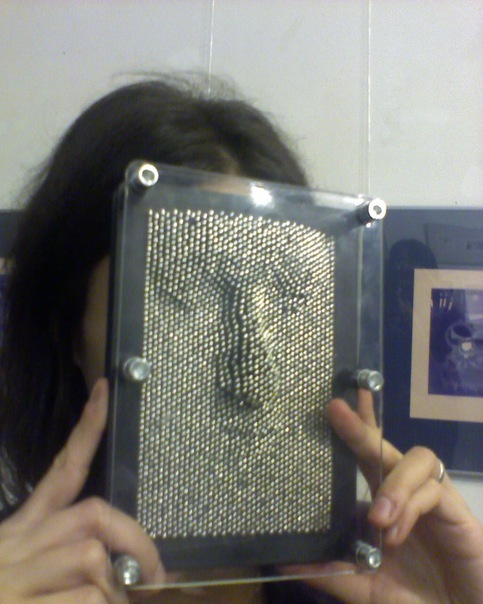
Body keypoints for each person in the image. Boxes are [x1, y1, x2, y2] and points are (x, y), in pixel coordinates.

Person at [0, 78, 481, 604]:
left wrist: (453, 597)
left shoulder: (364, 587)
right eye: (189, 295)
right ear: (70, 332)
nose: (253, 374)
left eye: (291, 299)